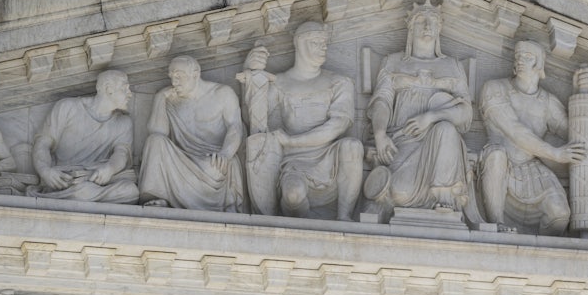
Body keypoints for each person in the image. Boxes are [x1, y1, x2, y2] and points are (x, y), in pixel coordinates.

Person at [365, 0, 479, 220]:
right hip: (403, 143)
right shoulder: (393, 62)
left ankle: (444, 196)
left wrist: (431, 117)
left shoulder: (453, 66)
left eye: (433, 21)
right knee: (401, 193)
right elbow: (382, 102)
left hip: (444, 151)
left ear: (439, 29)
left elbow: (465, 114)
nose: (427, 26)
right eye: (421, 21)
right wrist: (379, 134)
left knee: (446, 129)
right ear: (410, 28)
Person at [240, 22, 362, 220]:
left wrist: (291, 141)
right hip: (293, 161)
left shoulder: (339, 82)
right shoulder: (279, 83)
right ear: (299, 44)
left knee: (352, 146)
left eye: (324, 43)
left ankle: (344, 217)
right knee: (293, 195)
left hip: (328, 157)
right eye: (316, 42)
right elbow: (255, 124)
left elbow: (338, 125)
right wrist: (251, 74)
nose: (323, 47)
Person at [478, 40, 586, 234]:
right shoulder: (495, 88)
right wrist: (555, 154)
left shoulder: (547, 102)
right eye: (518, 56)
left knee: (560, 213)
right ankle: (496, 223)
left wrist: (582, 93)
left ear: (539, 64)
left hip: (531, 168)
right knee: (497, 155)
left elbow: (576, 132)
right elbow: (514, 129)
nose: (520, 60)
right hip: (500, 165)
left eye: (527, 57)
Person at [139, 56, 244, 212]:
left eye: (179, 76)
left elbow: (235, 127)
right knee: (155, 141)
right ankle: (160, 196)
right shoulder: (170, 99)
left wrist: (225, 154)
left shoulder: (222, 94)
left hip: (211, 160)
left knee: (213, 168)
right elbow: (157, 132)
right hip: (180, 158)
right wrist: (160, 99)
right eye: (172, 77)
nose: (174, 82)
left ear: (195, 74)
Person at [29, 69, 139, 204]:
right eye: (125, 89)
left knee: (130, 191)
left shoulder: (123, 123)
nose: (130, 94)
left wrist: (110, 169)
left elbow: (122, 154)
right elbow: (43, 143)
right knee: (81, 191)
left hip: (96, 181)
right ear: (109, 89)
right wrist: (45, 171)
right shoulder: (67, 107)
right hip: (65, 180)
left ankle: (83, 194)